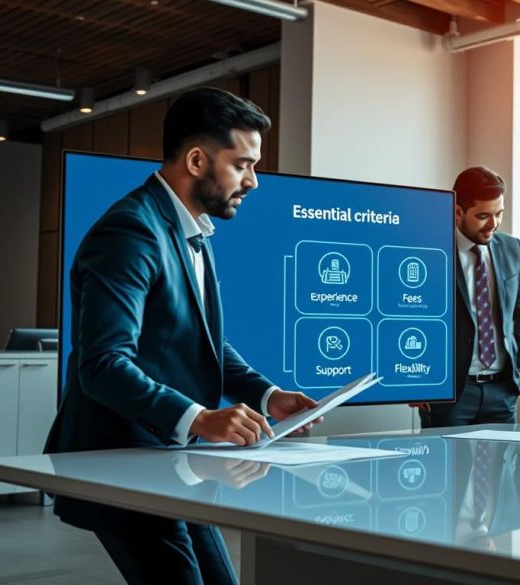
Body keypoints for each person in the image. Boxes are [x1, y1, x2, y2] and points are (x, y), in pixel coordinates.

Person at [45, 87, 321, 585]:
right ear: (197, 160)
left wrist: (267, 394)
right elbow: (102, 365)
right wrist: (202, 419)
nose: (254, 181)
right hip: (121, 461)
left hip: (171, 460)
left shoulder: (191, 227)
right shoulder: (130, 232)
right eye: (243, 165)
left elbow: (200, 340)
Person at [414, 166, 520, 427]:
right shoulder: (430, 251)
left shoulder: (512, 248)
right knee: (447, 468)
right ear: (458, 211)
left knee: (502, 468)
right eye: (483, 215)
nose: (493, 224)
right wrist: (413, 380)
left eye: (499, 213)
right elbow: (410, 316)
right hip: (450, 393)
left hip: (503, 390)